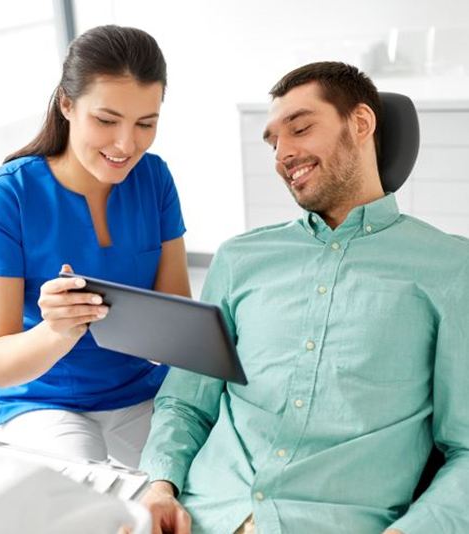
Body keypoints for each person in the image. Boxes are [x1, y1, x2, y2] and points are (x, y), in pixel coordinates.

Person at [138, 62, 469, 533]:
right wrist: (158, 487)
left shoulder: (452, 269)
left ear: (360, 124)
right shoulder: (239, 259)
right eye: (274, 141)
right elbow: (186, 402)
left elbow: (466, 448)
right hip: (199, 517)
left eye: (301, 128)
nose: (282, 154)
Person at [0, 25, 190, 468]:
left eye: (146, 124)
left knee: (194, 494)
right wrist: (57, 331)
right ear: (67, 104)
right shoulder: (5, 196)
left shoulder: (155, 179)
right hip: (39, 399)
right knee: (91, 506)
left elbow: (177, 311)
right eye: (106, 121)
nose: (127, 145)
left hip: (140, 390)